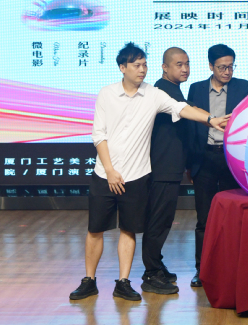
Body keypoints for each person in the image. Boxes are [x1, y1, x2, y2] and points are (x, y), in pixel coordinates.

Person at [70, 42, 229, 302]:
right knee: (95, 229)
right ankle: (89, 280)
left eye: (144, 65)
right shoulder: (107, 94)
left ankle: (123, 282)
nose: (142, 69)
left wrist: (211, 120)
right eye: (136, 65)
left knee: (129, 230)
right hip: (105, 174)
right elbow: (99, 135)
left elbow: (181, 108)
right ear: (122, 67)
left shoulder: (153, 94)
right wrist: (109, 170)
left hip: (137, 175)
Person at [186, 44, 248, 287]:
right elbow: (191, 127)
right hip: (204, 159)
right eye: (222, 67)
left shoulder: (242, 87)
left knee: (233, 217)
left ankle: (232, 268)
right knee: (204, 219)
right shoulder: (196, 89)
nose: (227, 72)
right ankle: (202, 270)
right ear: (210, 66)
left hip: (231, 159)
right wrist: (190, 164)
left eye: (231, 67)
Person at [140, 47, 191, 295]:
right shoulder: (161, 92)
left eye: (187, 64)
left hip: (170, 167)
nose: (185, 69)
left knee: (162, 220)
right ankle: (151, 273)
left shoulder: (172, 89)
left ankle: (156, 265)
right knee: (158, 221)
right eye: (179, 64)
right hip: (161, 167)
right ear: (164, 67)